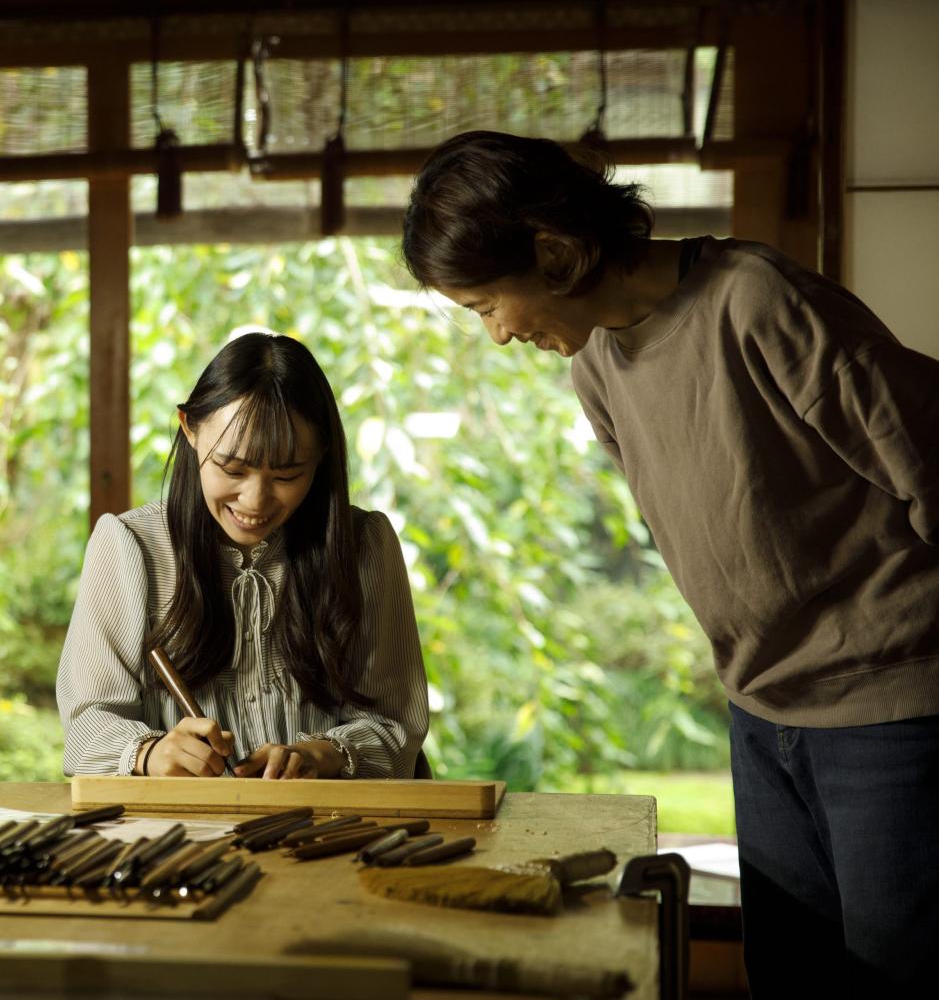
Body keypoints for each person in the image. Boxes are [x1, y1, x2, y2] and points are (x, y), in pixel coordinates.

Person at [401, 129, 939, 995]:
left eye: (486, 305)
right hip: (759, 707)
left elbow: (925, 450)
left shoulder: (753, 299)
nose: (498, 335)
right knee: (789, 975)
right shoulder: (596, 367)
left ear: (555, 252)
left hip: (891, 708)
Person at [56, 331, 429, 781]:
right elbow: (86, 726)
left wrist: (321, 755)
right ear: (189, 429)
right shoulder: (129, 544)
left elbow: (397, 725)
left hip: (327, 830)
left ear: (322, 454)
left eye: (287, 474)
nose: (255, 501)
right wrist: (151, 754)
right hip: (181, 836)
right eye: (232, 469)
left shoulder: (364, 545)